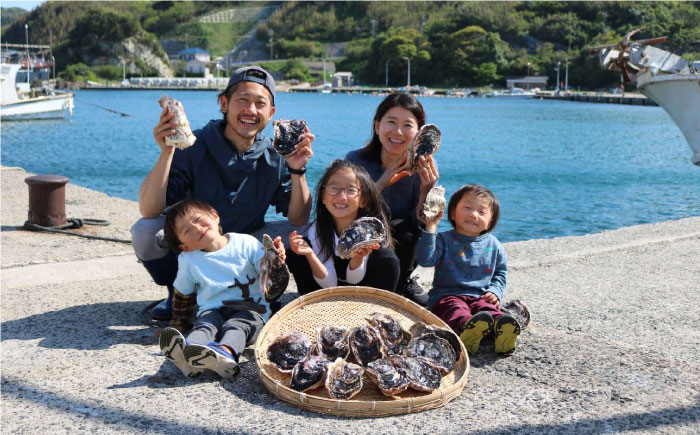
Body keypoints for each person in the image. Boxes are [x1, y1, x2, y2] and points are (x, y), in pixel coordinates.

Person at [131, 66, 313, 320]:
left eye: (260, 104)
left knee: (310, 231)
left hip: (247, 242)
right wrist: (167, 152)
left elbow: (299, 218)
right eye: (243, 100)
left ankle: (268, 291)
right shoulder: (195, 144)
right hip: (199, 239)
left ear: (271, 113)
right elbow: (149, 211)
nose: (251, 110)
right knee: (145, 231)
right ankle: (179, 292)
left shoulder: (277, 153)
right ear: (224, 103)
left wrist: (298, 169)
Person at [157, 199, 288, 379]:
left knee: (237, 326)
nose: (196, 228)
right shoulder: (189, 260)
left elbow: (267, 273)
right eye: (187, 230)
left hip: (252, 310)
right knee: (205, 325)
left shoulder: (246, 243)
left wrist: (275, 259)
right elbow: (182, 295)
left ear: (215, 216)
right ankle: (187, 351)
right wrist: (177, 324)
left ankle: (226, 353)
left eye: (198, 219)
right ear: (184, 247)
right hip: (213, 309)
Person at [345, 92, 439, 306]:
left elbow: (420, 227)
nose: (398, 132)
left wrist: (426, 190)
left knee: (405, 228)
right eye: (391, 122)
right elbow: (343, 212)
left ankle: (401, 282)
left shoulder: (423, 169)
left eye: (408, 125)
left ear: (419, 133)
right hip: (361, 243)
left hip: (403, 248)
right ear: (377, 126)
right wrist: (381, 183)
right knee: (385, 222)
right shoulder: (355, 160)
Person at [416, 184, 521, 355]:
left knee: (489, 310)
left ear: (490, 222)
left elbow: (500, 272)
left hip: (480, 296)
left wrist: (495, 291)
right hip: (447, 296)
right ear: (452, 213)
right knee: (456, 309)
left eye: (482, 212)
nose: (473, 214)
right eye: (467, 208)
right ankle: (467, 329)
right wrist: (431, 228)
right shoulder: (444, 239)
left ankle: (502, 329)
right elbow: (425, 260)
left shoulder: (494, 245)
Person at [285, 159, 400, 294]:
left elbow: (354, 280)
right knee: (296, 254)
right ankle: (312, 305)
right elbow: (330, 282)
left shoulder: (368, 233)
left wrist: (358, 258)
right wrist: (309, 254)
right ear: (323, 196)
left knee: (385, 257)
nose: (341, 196)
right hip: (326, 293)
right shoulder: (317, 230)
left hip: (366, 293)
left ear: (363, 200)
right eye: (334, 188)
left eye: (351, 190)